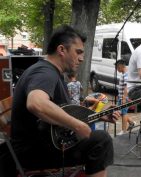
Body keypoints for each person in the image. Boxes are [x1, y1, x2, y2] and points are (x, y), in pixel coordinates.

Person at [11, 25, 120, 177]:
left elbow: (65, 111)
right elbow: (36, 103)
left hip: (42, 144)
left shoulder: (50, 72)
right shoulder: (45, 72)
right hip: (34, 153)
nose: (81, 58)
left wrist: (100, 115)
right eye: (78, 52)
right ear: (62, 50)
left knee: (97, 138)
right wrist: (76, 125)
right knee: (101, 140)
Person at [115, 59, 136, 135]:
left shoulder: (126, 74)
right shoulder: (124, 74)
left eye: (117, 68)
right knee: (120, 112)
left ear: (120, 66)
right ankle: (131, 122)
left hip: (124, 98)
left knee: (124, 113)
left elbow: (126, 87)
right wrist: (119, 96)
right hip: (121, 97)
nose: (117, 70)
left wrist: (124, 98)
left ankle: (123, 131)